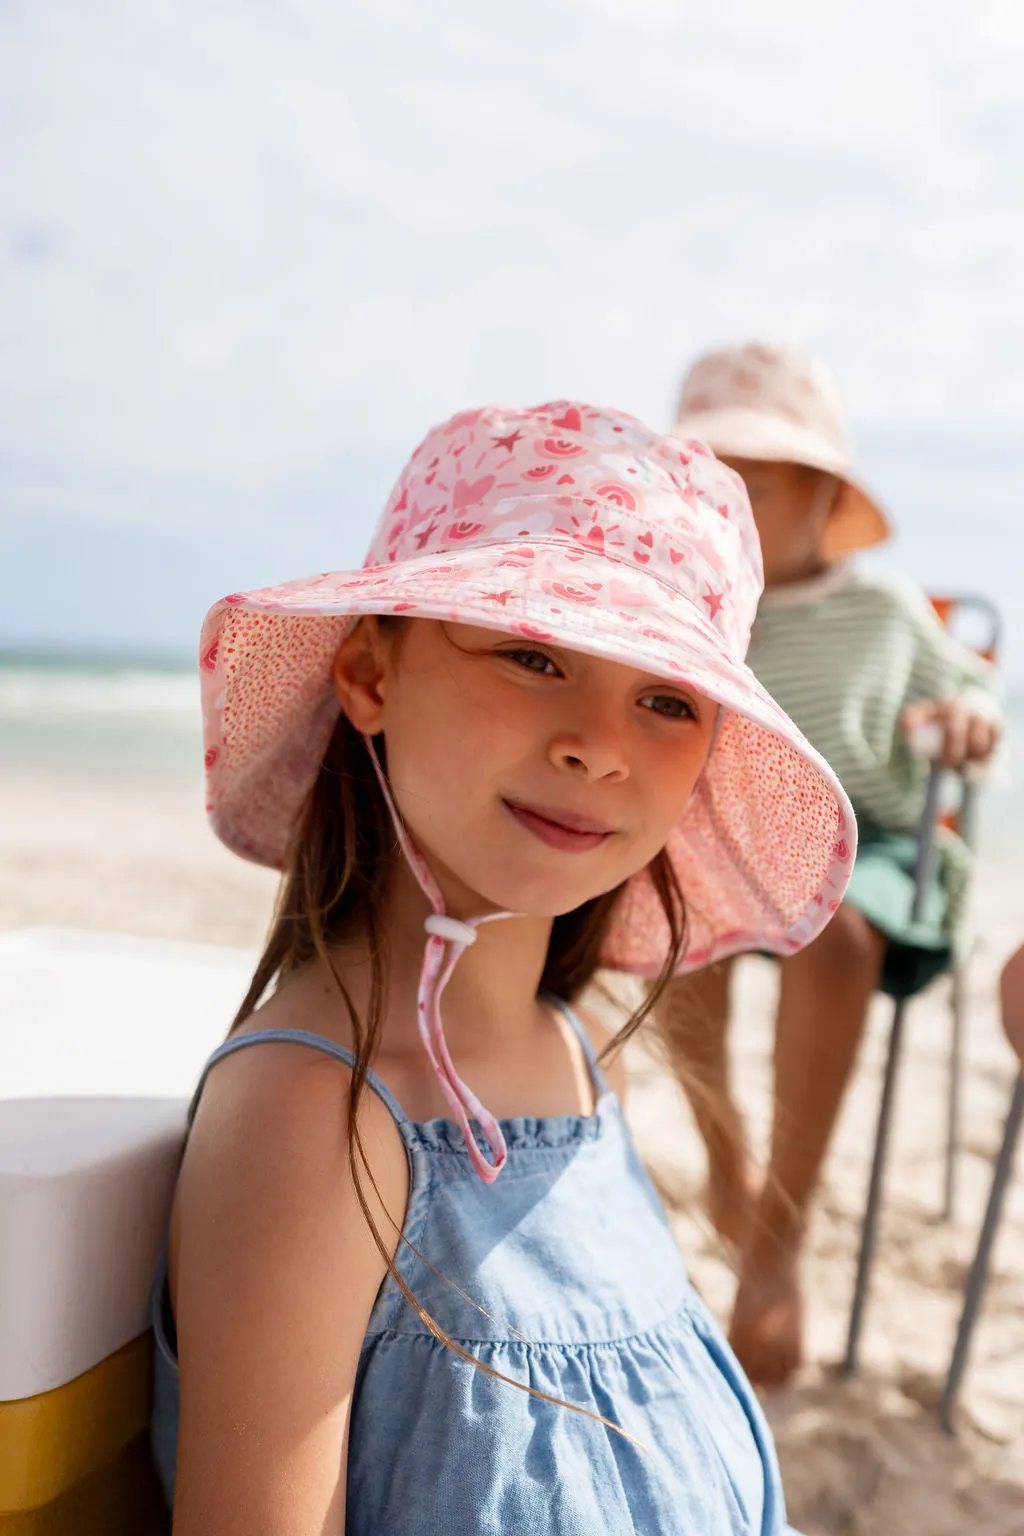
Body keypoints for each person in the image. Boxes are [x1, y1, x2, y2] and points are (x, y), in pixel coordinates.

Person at [149, 400, 855, 1534]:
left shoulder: (582, 1067)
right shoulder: (314, 1116)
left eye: (666, 698)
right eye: (534, 654)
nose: (599, 744)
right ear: (371, 674)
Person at [655, 343, 1002, 1388]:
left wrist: (964, 717)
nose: (727, 517)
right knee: (672, 922)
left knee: (833, 930)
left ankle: (775, 1246)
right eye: (706, 494)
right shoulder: (695, 613)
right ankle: (726, 1159)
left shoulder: (887, 610)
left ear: (822, 499)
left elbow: (973, 690)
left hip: (872, 846)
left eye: (752, 490)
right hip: (730, 845)